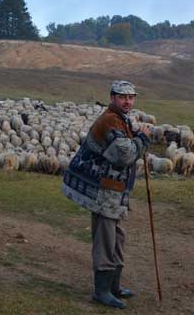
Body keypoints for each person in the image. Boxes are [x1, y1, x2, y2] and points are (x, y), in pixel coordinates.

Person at [62, 80, 151, 309]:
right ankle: (101, 291)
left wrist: (138, 138)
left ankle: (113, 286)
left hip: (115, 191)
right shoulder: (110, 120)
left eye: (131, 97)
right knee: (105, 238)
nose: (127, 101)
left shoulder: (121, 119)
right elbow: (124, 156)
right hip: (104, 191)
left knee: (117, 237)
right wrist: (142, 139)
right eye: (122, 97)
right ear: (112, 97)